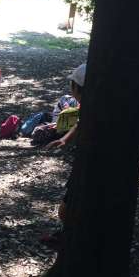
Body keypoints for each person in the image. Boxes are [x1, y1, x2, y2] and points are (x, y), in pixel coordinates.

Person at [41, 63, 86, 248]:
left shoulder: (93, 107)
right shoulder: (90, 106)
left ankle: (70, 238)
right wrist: (65, 140)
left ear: (76, 88)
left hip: (87, 166)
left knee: (66, 210)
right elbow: (80, 123)